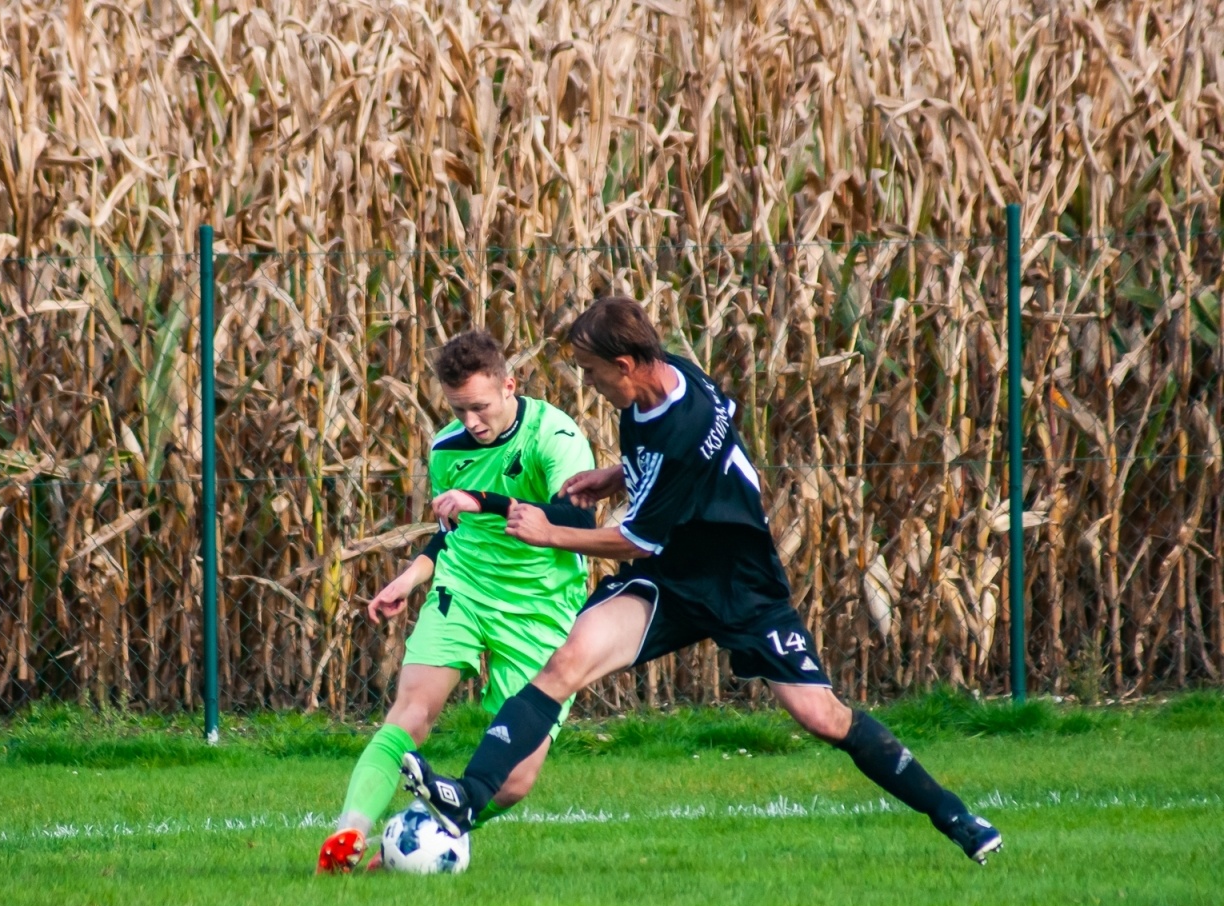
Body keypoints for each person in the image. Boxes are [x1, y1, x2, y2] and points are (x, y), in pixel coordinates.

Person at [401, 297, 1003, 865]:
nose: (587, 384)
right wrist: (613, 476)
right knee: (566, 662)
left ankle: (955, 816)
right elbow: (666, 478)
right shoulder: (662, 381)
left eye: (590, 371)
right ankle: (468, 796)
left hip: (739, 586)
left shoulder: (680, 427)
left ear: (625, 364)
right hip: (669, 581)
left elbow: (636, 538)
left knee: (823, 717)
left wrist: (551, 533)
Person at [316, 330, 596, 871]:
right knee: (411, 714)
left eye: (480, 407)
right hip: (462, 592)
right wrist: (411, 577)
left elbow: (578, 520)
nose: (470, 422)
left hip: (542, 609)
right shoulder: (448, 447)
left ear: (509, 385)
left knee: (516, 779)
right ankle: (349, 832)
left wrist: (484, 501)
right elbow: (450, 533)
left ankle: (406, 847)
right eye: (458, 409)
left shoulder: (554, 436)